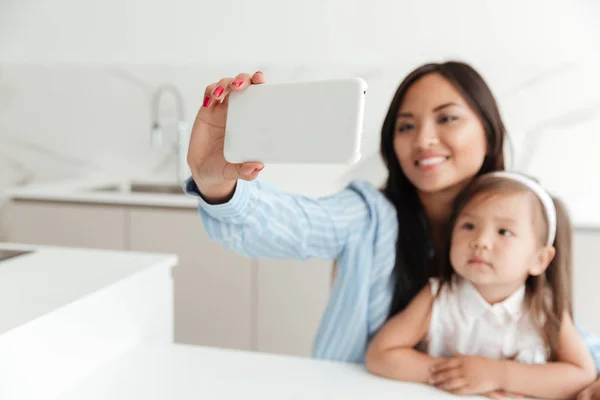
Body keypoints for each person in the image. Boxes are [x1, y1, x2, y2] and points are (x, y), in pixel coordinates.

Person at [184, 61, 600, 398]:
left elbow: (570, 343)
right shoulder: (370, 215)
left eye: (447, 118)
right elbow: (294, 222)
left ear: (489, 133)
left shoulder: (528, 219)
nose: (424, 140)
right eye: (406, 126)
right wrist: (217, 182)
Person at [365, 171, 597, 399]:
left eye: (504, 231)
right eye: (469, 226)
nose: (481, 242)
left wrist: (498, 375)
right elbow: (380, 354)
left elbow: (581, 375)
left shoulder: (543, 308)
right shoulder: (439, 296)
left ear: (539, 260)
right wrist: (456, 374)